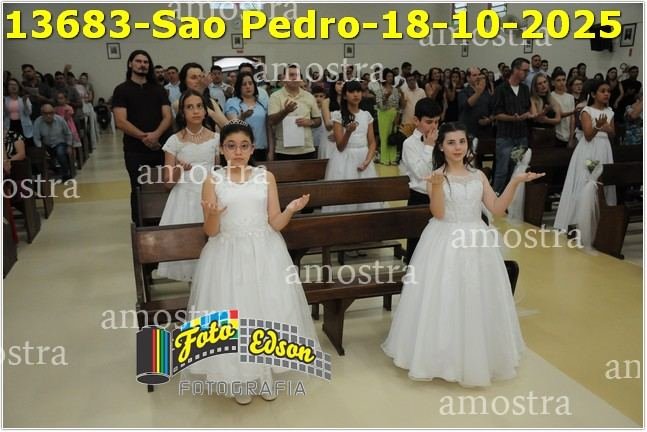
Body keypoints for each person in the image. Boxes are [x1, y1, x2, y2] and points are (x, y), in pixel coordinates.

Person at [383, 122, 543, 387]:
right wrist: (436, 187)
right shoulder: (436, 176)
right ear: (441, 147)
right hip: (445, 238)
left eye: (462, 142)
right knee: (445, 296)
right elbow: (438, 213)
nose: (457, 148)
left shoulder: (478, 175)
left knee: (477, 294)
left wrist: (515, 182)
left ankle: (477, 355)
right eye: (451, 143)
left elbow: (497, 208)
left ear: (468, 145)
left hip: (478, 239)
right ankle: (441, 358)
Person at [185, 120, 319, 405]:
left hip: (265, 251)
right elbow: (210, 232)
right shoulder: (212, 180)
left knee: (266, 311)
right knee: (235, 314)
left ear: (252, 148)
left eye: (244, 146)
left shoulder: (265, 177)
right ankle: (239, 377)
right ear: (222, 149)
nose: (238, 152)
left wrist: (290, 209)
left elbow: (275, 222)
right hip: (227, 254)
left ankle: (264, 373)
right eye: (231, 146)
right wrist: (213, 214)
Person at [157, 90, 220, 281]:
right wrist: (178, 170)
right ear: (182, 113)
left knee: (213, 247)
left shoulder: (216, 139)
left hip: (209, 196)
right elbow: (168, 183)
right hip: (184, 200)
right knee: (190, 248)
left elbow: (218, 172)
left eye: (199, 106)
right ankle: (193, 290)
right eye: (190, 107)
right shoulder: (174, 141)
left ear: (205, 111)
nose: (196, 111)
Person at [112, 49, 173, 223]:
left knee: (163, 185)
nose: (142, 65)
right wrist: (144, 137)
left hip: (160, 148)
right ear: (130, 64)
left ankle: (164, 222)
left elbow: (168, 116)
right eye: (138, 61)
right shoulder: (121, 90)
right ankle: (140, 227)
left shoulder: (158, 90)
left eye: (146, 62)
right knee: (138, 188)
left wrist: (156, 135)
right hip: (135, 150)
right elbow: (120, 121)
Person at [554, 80, 616, 232]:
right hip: (589, 149)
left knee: (603, 183)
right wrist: (598, 126)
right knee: (586, 182)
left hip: (604, 148)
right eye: (602, 91)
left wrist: (608, 129)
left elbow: (613, 133)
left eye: (608, 91)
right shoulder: (586, 111)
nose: (607, 94)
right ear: (593, 94)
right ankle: (578, 221)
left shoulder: (610, 111)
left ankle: (601, 222)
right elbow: (588, 135)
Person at [322, 80, 382, 213]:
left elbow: (372, 142)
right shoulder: (338, 115)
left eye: (358, 91)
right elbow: (340, 147)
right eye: (351, 92)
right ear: (344, 95)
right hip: (345, 158)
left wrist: (367, 160)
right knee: (345, 196)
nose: (356, 94)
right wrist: (348, 132)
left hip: (363, 157)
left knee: (365, 196)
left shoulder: (366, 115)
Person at [399, 98, 442, 263]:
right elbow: (421, 173)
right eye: (429, 122)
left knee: (437, 244)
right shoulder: (409, 144)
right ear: (416, 120)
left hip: (439, 196)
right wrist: (429, 146)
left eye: (437, 122)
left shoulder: (441, 140)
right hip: (419, 197)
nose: (433, 127)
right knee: (417, 244)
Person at [493, 57, 534, 194]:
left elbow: (528, 108)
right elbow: (497, 114)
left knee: (517, 169)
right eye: (524, 70)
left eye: (528, 71)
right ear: (515, 70)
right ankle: (496, 197)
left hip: (521, 135)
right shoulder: (501, 89)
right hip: (505, 136)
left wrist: (530, 115)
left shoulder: (524, 89)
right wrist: (513, 118)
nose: (526, 73)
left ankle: (513, 198)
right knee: (502, 170)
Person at [267, 64, 321, 160]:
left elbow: (318, 120)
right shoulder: (275, 96)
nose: (295, 78)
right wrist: (285, 111)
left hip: (306, 149)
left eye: (297, 75)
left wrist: (311, 122)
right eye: (291, 75)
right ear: (284, 79)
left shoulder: (309, 96)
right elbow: (271, 121)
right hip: (284, 151)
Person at [224, 72, 271, 161]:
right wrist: (243, 117)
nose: (248, 86)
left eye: (250, 83)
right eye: (244, 84)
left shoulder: (261, 103)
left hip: (262, 148)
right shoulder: (232, 102)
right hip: (242, 149)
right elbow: (232, 125)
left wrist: (271, 150)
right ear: (239, 87)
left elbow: (268, 127)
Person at [32, 104, 73, 181]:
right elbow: (36, 138)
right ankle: (45, 176)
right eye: (46, 113)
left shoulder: (60, 120)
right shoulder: (38, 122)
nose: (48, 115)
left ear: (54, 113)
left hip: (60, 143)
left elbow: (68, 133)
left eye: (50, 113)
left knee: (60, 152)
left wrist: (69, 146)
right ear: (42, 114)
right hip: (46, 145)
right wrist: (41, 149)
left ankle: (66, 174)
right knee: (38, 154)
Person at [369, 68, 402, 165]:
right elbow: (380, 106)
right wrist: (386, 97)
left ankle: (392, 158)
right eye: (388, 76)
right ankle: (384, 158)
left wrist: (397, 116)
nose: (390, 78)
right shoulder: (379, 90)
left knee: (393, 135)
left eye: (391, 76)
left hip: (393, 113)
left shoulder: (395, 90)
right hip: (383, 114)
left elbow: (397, 105)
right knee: (384, 136)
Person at [550, 70, 576, 147]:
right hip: (556, 134)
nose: (562, 82)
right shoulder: (551, 96)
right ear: (553, 83)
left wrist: (571, 138)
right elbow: (558, 115)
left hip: (568, 134)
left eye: (563, 80)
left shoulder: (570, 97)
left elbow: (572, 118)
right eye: (558, 80)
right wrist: (572, 112)